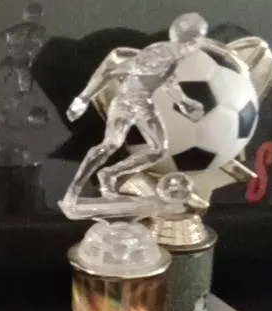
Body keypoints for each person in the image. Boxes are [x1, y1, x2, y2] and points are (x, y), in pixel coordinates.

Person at [61, 12, 211, 213]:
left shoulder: (174, 56)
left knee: (158, 150)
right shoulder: (158, 54)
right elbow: (111, 71)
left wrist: (184, 102)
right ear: (192, 40)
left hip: (143, 105)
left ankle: (109, 174)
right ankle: (73, 192)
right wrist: (83, 99)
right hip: (126, 103)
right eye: (201, 37)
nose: (202, 42)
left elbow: (168, 80)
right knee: (110, 145)